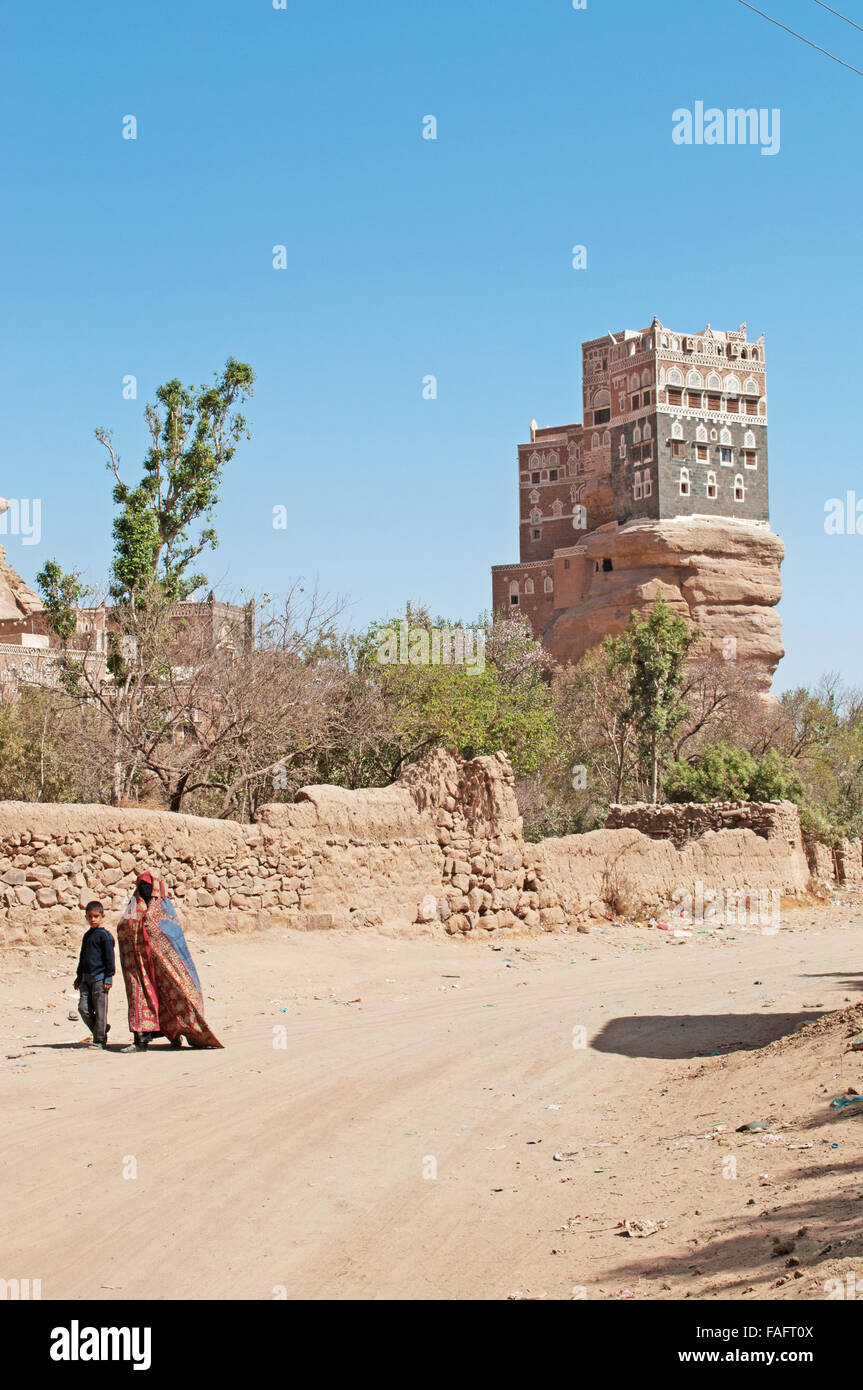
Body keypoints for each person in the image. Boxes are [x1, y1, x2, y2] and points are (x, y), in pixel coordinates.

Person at [117, 871, 222, 1053]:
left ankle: (176, 1034)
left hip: (164, 967)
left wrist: (149, 929)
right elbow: (124, 928)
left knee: (175, 996)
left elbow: (173, 938)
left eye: (148, 888)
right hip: (138, 968)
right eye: (141, 887)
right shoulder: (133, 908)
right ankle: (140, 1041)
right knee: (139, 999)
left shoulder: (164, 910)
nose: (144, 891)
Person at [73, 901, 114, 1050]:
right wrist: (79, 976)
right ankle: (100, 1029)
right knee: (83, 1009)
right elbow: (82, 957)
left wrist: (109, 977)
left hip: (99, 978)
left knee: (100, 1010)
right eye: (90, 916)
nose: (93, 919)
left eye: (96, 916)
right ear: (86, 917)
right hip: (86, 978)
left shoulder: (105, 936)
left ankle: (100, 1039)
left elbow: (110, 958)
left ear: (102, 916)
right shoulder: (87, 936)